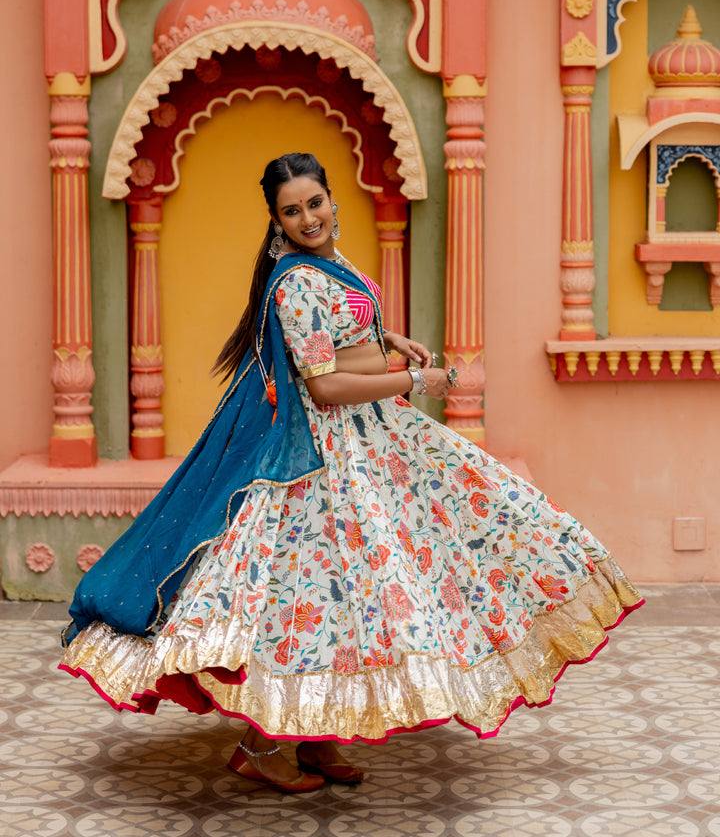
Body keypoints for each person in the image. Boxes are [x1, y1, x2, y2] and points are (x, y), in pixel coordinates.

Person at [60, 151, 643, 793]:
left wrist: (388, 343)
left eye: (315, 202)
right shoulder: (296, 282)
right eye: (293, 211)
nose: (309, 217)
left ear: (332, 200)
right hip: (319, 461)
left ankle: (315, 740)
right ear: (277, 222)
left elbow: (341, 345)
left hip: (367, 445)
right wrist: (416, 379)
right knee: (312, 600)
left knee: (355, 598)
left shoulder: (333, 265)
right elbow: (328, 383)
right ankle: (262, 747)